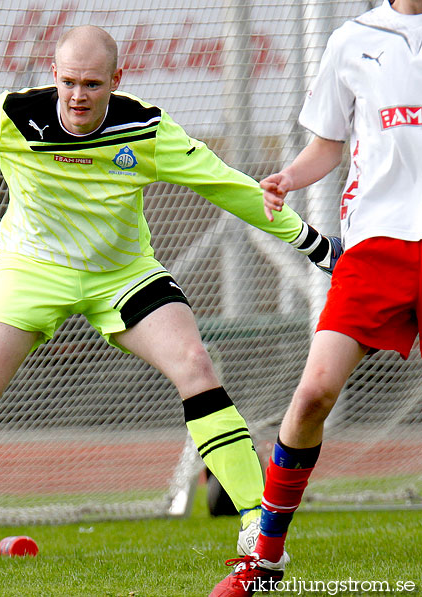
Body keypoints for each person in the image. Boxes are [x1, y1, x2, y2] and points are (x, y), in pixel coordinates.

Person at [0, 25, 340, 572]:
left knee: (195, 364)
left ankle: (256, 528)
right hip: (30, 273)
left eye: (92, 84)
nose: (77, 95)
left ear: (116, 81)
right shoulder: (15, 116)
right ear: (54, 76)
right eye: (69, 81)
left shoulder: (145, 129)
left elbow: (224, 184)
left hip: (122, 275)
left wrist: (310, 242)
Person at [210, 0, 422, 594]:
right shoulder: (352, 39)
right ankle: (264, 563)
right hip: (375, 250)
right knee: (312, 396)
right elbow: (329, 143)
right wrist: (289, 178)